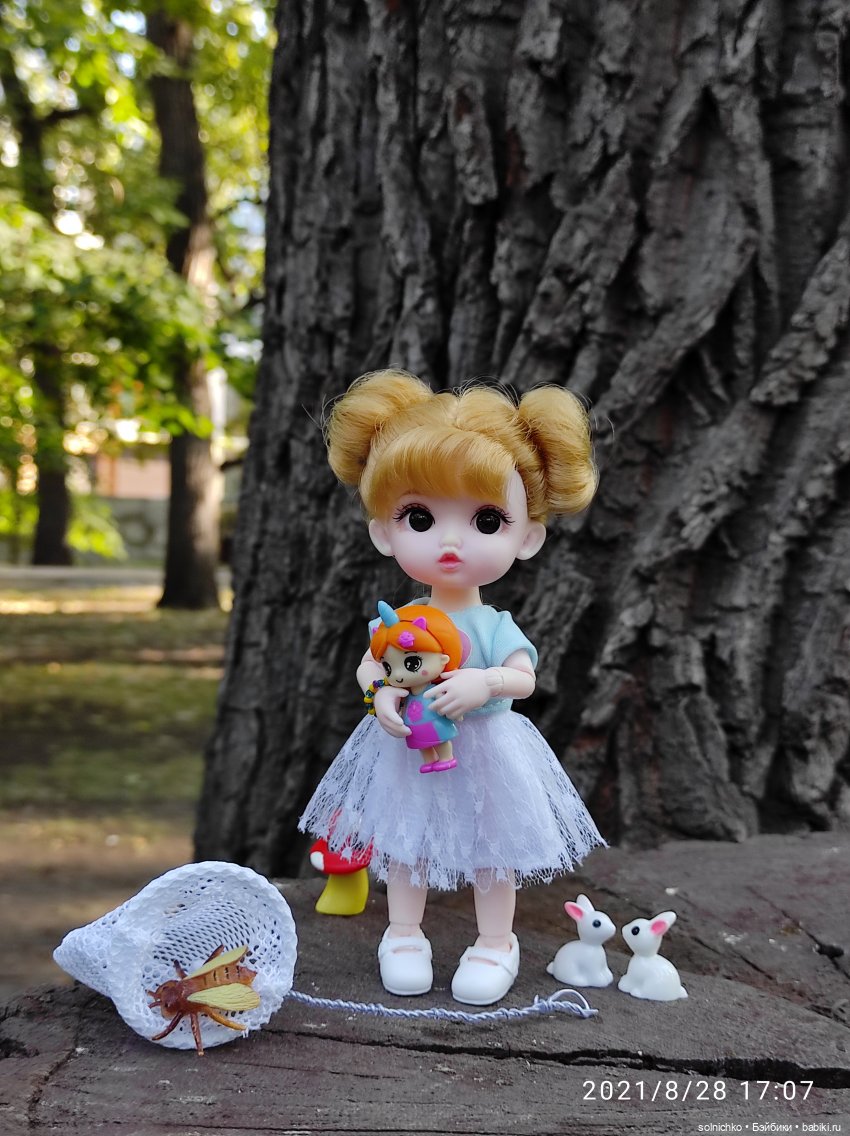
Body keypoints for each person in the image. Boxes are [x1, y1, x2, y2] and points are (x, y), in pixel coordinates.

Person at [299, 369, 605, 1005]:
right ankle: (403, 933)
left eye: (487, 520)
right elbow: (371, 666)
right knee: (406, 839)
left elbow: (524, 677)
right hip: (410, 746)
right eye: (419, 516)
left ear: (527, 537)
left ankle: (496, 942)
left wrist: (484, 682)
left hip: (489, 746)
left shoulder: (494, 625)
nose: (450, 540)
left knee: (494, 848)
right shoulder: (401, 621)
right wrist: (381, 694)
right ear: (384, 531)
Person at [369, 600, 464, 774]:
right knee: (422, 744)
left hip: (435, 720)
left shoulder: (433, 690)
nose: (397, 675)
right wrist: (381, 695)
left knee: (440, 740)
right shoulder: (406, 694)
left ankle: (446, 757)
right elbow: (367, 666)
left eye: (412, 663)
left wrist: (455, 709)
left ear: (443, 659)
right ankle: (429, 760)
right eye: (388, 667)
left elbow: (446, 700)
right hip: (413, 724)